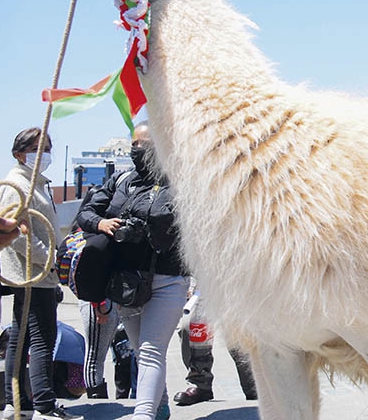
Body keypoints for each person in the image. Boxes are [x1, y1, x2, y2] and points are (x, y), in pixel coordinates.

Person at [77, 122, 187, 420]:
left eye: (147, 145)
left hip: (168, 278)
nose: (140, 150)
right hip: (126, 282)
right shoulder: (121, 180)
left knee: (151, 350)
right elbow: (86, 213)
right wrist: (101, 223)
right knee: (140, 349)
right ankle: (159, 405)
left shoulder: (183, 181)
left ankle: (143, 414)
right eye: (135, 145)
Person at [0, 128, 82, 420]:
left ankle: (17, 404)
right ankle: (44, 406)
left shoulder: (36, 184)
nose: (44, 154)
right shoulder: (17, 185)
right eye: (37, 148)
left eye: (47, 148)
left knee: (20, 337)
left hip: (38, 274)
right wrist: (48, 259)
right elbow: (16, 234)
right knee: (42, 339)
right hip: (32, 275)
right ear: (19, 154)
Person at [173, 282, 256, 405]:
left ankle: (254, 387)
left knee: (240, 332)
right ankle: (200, 384)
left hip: (237, 282)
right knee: (192, 325)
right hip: (204, 282)